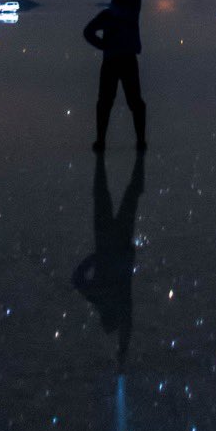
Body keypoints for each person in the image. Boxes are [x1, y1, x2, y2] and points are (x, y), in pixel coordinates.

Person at [72, 151, 146, 367]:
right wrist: (94, 258)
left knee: (130, 195)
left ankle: (138, 157)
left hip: (118, 242)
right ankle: (100, 156)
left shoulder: (119, 302)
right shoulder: (96, 296)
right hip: (106, 240)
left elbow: (127, 328)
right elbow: (77, 279)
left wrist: (122, 352)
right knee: (103, 194)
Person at [83, 0, 147, 153]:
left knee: (106, 102)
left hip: (112, 62)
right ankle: (140, 141)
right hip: (125, 61)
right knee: (133, 102)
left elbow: (87, 32)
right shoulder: (130, 12)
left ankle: (101, 141)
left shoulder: (109, 15)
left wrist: (103, 45)